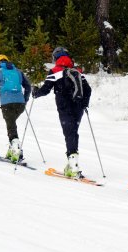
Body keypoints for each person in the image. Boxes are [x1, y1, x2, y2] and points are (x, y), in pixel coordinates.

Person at [32, 47, 91, 178]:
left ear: (55, 57)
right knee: (73, 132)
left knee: (69, 133)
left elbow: (46, 89)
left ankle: (73, 166)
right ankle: (72, 163)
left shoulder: (54, 71)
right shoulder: (78, 71)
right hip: (78, 107)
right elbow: (88, 89)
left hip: (64, 106)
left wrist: (36, 93)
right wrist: (84, 103)